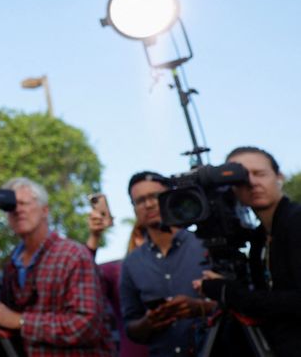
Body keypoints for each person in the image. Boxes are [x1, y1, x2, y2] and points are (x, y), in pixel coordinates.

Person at [0, 177, 113, 356]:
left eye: (24, 203)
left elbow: (87, 325)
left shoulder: (73, 255)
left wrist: (21, 321)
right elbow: (5, 323)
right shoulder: (10, 264)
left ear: (45, 210)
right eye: (11, 206)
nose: (17, 210)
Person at [196, 146, 301, 354]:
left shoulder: (295, 221)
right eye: (241, 179)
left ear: (278, 177)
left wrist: (229, 292)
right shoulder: (259, 237)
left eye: (259, 174)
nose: (252, 183)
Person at [117, 171, 213, 356]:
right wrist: (148, 323)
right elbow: (130, 326)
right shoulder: (131, 263)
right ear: (134, 208)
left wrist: (201, 308)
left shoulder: (205, 245)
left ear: (171, 197)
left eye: (155, 196)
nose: (149, 204)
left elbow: (237, 302)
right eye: (140, 200)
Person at [86, 204, 148, 357]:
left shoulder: (181, 268)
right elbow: (83, 278)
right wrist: (94, 237)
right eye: (145, 232)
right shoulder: (116, 271)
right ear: (137, 237)